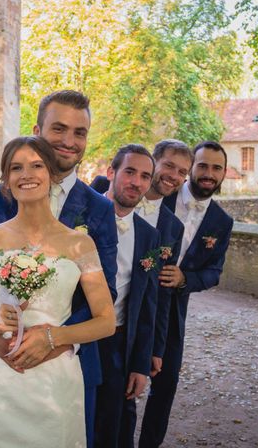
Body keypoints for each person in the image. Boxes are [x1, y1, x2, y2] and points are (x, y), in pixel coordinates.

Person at [0, 136, 116, 447]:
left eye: (37, 165)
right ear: (7, 181)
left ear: (51, 174)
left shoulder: (79, 244)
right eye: (16, 167)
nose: (27, 174)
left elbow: (106, 321)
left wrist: (54, 337)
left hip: (56, 378)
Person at [139, 141, 234, 447]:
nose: (208, 174)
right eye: (202, 166)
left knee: (165, 385)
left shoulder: (222, 222)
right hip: (135, 297)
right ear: (191, 169)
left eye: (216, 168)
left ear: (223, 174)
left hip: (173, 309)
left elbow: (213, 272)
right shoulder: (159, 193)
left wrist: (185, 279)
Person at [91, 139, 190, 377]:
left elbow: (156, 295)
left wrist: (150, 351)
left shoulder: (169, 229)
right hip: (77, 330)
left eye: (182, 172)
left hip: (122, 334)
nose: (173, 175)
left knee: (120, 409)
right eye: (168, 166)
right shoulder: (89, 202)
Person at [92, 145, 161, 448]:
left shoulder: (149, 235)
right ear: (111, 172)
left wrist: (140, 364)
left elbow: (147, 303)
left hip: (119, 342)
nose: (137, 182)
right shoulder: (80, 220)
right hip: (75, 340)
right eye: (130, 172)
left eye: (145, 176)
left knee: (114, 426)